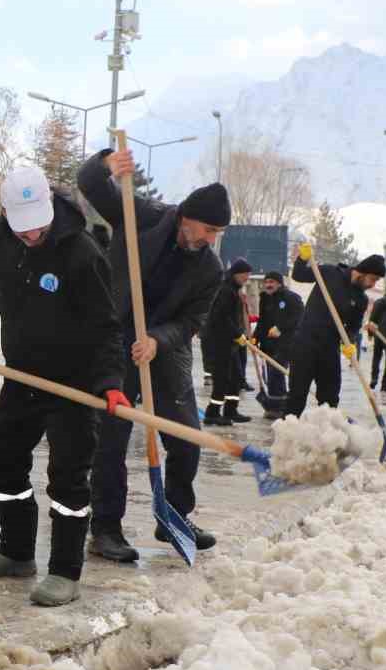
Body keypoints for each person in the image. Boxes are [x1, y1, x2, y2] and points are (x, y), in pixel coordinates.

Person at [0, 165, 122, 607]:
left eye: (38, 226)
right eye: (22, 227)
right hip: (21, 375)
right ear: (6, 213)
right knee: (3, 463)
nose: (31, 235)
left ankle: (65, 572)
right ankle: (17, 551)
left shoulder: (81, 252)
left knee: (67, 478)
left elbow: (106, 327)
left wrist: (110, 383)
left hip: (73, 384)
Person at [76, 147, 227, 562]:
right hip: (114, 338)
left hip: (164, 347)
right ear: (187, 217)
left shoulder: (210, 269)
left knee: (186, 437)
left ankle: (173, 516)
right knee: (111, 439)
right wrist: (107, 164)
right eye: (208, 228)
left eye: (217, 233)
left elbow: (193, 320)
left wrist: (159, 339)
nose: (210, 238)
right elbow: (89, 183)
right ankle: (106, 530)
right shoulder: (142, 214)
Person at [285, 245, 386, 417]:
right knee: (297, 395)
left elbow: (353, 326)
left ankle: (326, 438)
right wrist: (302, 259)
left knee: (330, 398)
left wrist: (350, 342)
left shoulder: (361, 299)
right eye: (373, 278)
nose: (372, 284)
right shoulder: (330, 273)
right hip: (305, 343)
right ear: (363, 271)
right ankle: (286, 436)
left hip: (329, 348)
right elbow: (299, 275)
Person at [201, 258, 253, 426]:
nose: (247, 278)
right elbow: (221, 317)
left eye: (248, 275)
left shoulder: (234, 290)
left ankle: (231, 410)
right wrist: (237, 333)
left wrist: (239, 335)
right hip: (219, 341)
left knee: (236, 376)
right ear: (236, 274)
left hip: (230, 342)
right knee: (222, 378)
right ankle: (212, 413)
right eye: (245, 274)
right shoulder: (225, 290)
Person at [251, 270, 303, 414]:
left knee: (277, 373)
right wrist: (255, 339)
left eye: (271, 282)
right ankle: (273, 405)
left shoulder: (290, 298)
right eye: (266, 282)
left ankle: (280, 406)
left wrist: (281, 328)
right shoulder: (265, 299)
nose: (268, 285)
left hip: (286, 344)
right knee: (268, 375)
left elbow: (299, 317)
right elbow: (262, 322)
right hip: (268, 344)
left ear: (279, 283)